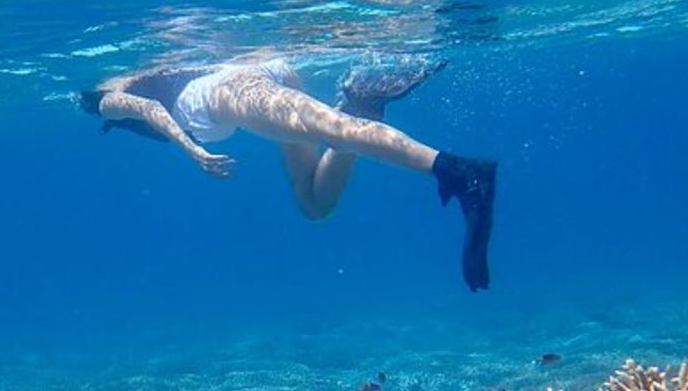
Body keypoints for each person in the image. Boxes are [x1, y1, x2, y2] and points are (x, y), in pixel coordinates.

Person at [80, 55, 497, 292]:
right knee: (315, 201)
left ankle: (456, 170)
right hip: (261, 71)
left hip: (222, 93)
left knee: (328, 128)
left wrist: (191, 150)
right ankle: (363, 106)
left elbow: (149, 110)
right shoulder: (139, 79)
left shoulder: (105, 101)